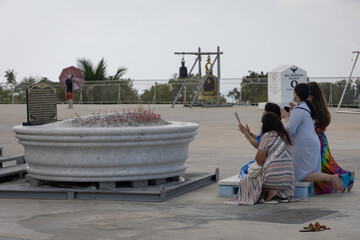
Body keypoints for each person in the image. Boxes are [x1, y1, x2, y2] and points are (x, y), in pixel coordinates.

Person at [281, 83, 344, 193]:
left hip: (303, 145)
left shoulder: (299, 109)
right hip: (312, 143)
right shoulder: (307, 107)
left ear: (296, 94)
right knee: (308, 172)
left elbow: (290, 130)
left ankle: (331, 178)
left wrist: (286, 117)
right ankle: (332, 178)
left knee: (300, 175)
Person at [226, 112, 294, 205]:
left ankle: (270, 191)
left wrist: (247, 134)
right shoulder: (287, 136)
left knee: (246, 181)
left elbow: (259, 160)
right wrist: (249, 133)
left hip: (272, 179)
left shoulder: (267, 136)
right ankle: (276, 192)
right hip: (288, 180)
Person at [308, 82, 354, 193]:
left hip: (318, 140)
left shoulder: (312, 109)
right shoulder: (319, 107)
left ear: (312, 96)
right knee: (327, 164)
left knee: (324, 165)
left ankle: (346, 178)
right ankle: (346, 176)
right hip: (321, 139)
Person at [237, 102, 281, 178]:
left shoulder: (266, 128)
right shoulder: (280, 128)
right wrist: (250, 134)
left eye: (264, 110)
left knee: (245, 171)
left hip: (270, 168)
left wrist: (247, 134)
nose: (263, 112)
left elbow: (258, 145)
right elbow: (261, 140)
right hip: (279, 166)